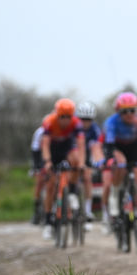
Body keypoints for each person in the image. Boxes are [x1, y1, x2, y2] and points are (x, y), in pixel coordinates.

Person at [38, 98, 87, 240]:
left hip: (67, 148)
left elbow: (81, 144)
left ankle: (71, 192)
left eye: (68, 117)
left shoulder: (76, 123)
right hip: (52, 151)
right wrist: (47, 162)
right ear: (57, 115)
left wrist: (82, 163)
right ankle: (48, 221)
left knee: (76, 161)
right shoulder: (49, 122)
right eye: (62, 117)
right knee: (51, 185)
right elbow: (45, 144)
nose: (65, 120)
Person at [102, 92, 137, 236]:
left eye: (132, 110)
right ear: (118, 112)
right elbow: (109, 143)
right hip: (117, 147)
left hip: (133, 148)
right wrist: (110, 158)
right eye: (124, 111)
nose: (129, 114)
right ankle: (115, 195)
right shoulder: (112, 122)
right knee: (121, 164)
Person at [75, 101, 105, 228]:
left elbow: (96, 146)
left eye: (88, 120)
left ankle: (87, 211)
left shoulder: (95, 129)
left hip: (86, 154)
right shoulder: (74, 127)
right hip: (74, 152)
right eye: (82, 119)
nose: (85, 122)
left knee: (87, 178)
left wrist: (99, 161)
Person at [28, 125, 48, 225]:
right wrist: (35, 168)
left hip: (51, 154)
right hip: (39, 156)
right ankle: (36, 211)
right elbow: (35, 151)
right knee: (39, 181)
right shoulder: (40, 132)